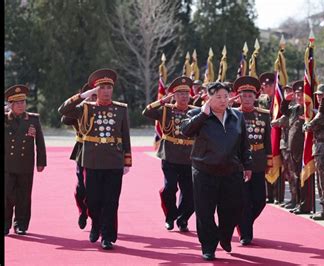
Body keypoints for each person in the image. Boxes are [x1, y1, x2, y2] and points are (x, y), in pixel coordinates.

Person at [58, 68, 132, 250]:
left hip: (113, 160)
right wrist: (85, 94)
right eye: (102, 88)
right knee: (92, 200)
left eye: (109, 87)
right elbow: (63, 110)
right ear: (96, 90)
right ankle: (95, 225)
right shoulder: (86, 107)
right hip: (91, 160)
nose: (106, 91)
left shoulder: (120, 109)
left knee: (111, 200)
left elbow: (125, 136)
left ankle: (107, 236)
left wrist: (127, 160)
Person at [181, 82, 252, 261]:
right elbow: (186, 131)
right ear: (208, 98)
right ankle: (208, 247)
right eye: (218, 97)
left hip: (232, 170)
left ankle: (225, 235)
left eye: (226, 96)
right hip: (204, 171)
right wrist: (203, 115)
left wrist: (248, 165)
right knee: (205, 211)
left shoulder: (237, 116)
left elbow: (244, 144)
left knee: (234, 208)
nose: (223, 100)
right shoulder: (196, 114)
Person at [142, 76, 196, 232]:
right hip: (170, 155)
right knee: (169, 188)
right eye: (180, 94)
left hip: (190, 157)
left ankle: (183, 219)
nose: (184, 97)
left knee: (190, 193)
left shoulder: (195, 111)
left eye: (186, 93)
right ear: (174, 95)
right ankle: (170, 215)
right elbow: (147, 112)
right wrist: (163, 101)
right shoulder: (166, 110)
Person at [233, 76, 271, 246]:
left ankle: (243, 223)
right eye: (244, 95)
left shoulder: (263, 115)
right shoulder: (232, 114)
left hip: (257, 161)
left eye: (250, 96)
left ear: (255, 97)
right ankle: (245, 234)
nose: (247, 99)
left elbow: (268, 140)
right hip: (239, 163)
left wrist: (269, 160)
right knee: (244, 200)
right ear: (238, 97)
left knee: (260, 200)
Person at [5, 84, 47, 236]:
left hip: (25, 164)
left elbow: (40, 142)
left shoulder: (33, 120)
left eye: (23, 102)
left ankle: (21, 224)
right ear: (10, 104)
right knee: (6, 195)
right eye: (17, 103)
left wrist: (41, 161)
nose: (21, 105)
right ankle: (5, 223)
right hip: (7, 164)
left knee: (24, 196)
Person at [60, 83, 97, 230]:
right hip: (82, 150)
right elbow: (65, 119)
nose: (93, 98)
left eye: (95, 95)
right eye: (91, 95)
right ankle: (83, 211)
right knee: (81, 188)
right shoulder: (80, 110)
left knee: (94, 187)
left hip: (99, 151)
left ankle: (94, 216)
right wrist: (81, 103)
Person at [304, 83, 324, 220]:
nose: (318, 98)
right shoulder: (323, 111)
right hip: (320, 148)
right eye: (317, 95)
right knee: (321, 180)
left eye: (321, 95)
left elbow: (310, 127)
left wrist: (306, 123)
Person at [280, 81, 309, 214]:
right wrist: (285, 101)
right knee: (295, 176)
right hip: (293, 149)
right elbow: (284, 111)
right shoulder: (295, 109)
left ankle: (304, 204)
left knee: (303, 177)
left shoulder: (308, 109)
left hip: (304, 149)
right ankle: (298, 202)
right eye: (296, 94)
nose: (298, 96)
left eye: (301, 94)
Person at [258, 72, 284, 204]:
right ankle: (269, 194)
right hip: (264, 135)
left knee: (278, 165)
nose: (266, 88)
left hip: (278, 135)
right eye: (264, 85)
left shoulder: (280, 99)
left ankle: (278, 195)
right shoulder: (262, 100)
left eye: (269, 85)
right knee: (266, 164)